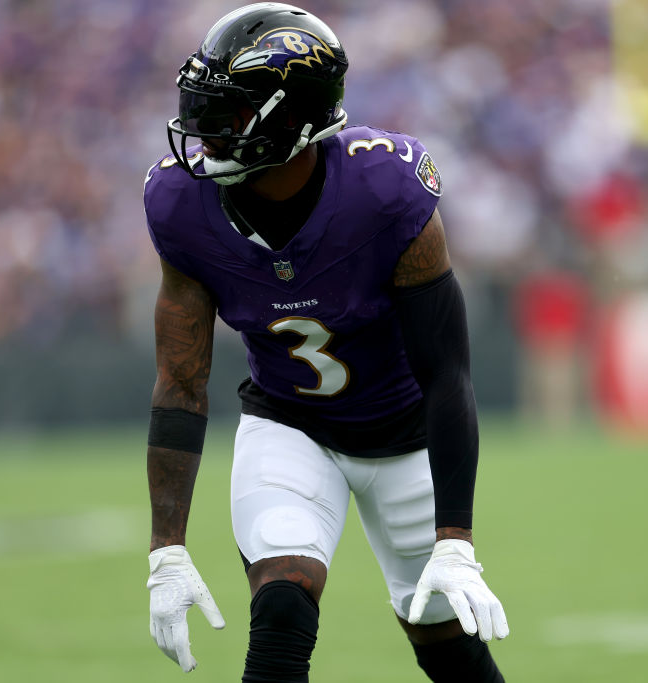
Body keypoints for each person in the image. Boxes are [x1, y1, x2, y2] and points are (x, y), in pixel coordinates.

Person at [143, 4, 509, 681]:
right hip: (291, 422)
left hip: (406, 436)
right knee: (282, 606)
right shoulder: (179, 204)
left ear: (290, 119)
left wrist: (455, 539)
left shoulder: (385, 190)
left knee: (447, 643)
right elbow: (181, 378)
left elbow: (447, 373)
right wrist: (166, 547)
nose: (202, 133)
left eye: (225, 115)